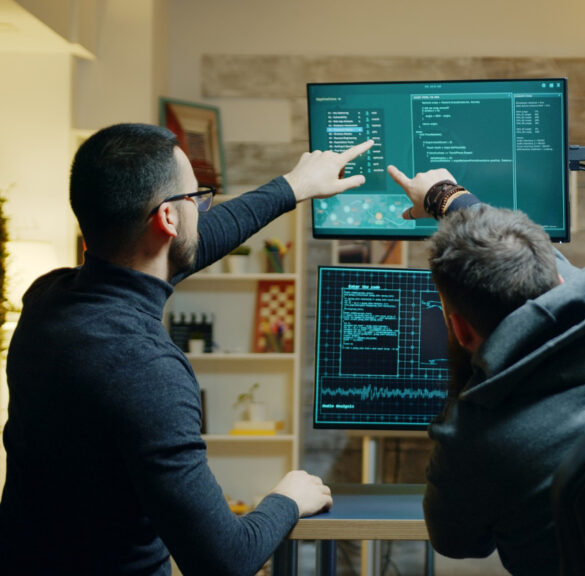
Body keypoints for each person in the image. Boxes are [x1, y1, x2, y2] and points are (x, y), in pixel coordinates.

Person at [0, 123, 373, 575]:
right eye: (198, 198)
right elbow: (224, 560)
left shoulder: (46, 299)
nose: (204, 209)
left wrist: (293, 187)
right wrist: (287, 498)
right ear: (168, 219)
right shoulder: (145, 368)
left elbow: (191, 245)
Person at [387, 166, 585, 575]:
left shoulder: (475, 438)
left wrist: (465, 374)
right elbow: (537, 258)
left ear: (460, 329)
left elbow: (457, 543)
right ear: (557, 278)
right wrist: (445, 195)